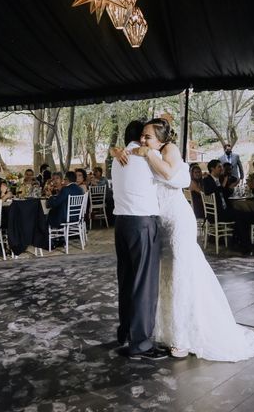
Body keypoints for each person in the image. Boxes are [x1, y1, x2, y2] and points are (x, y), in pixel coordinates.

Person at [118, 118, 254, 361]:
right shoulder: (143, 153)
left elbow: (170, 174)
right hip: (158, 222)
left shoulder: (168, 150)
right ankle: (163, 330)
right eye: (142, 136)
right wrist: (127, 150)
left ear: (162, 140)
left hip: (176, 221)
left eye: (148, 137)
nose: (143, 140)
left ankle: (182, 337)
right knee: (163, 275)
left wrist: (146, 153)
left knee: (181, 274)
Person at [111, 120, 167, 360]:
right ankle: (141, 344)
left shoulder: (117, 158)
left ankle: (124, 332)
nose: (147, 140)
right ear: (142, 138)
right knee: (144, 284)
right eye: (146, 136)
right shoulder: (148, 156)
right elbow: (173, 176)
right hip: (142, 223)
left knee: (126, 280)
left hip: (121, 224)